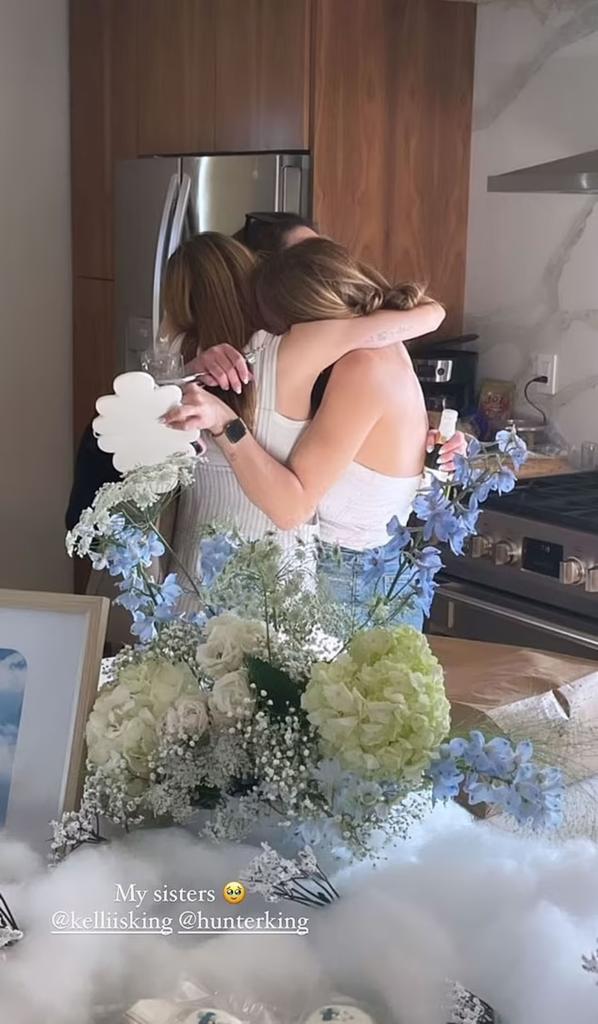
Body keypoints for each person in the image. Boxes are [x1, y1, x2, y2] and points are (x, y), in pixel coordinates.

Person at [165, 235, 452, 627]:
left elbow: (294, 505)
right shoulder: (340, 363)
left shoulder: (358, 366)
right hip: (339, 578)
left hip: (348, 582)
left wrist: (223, 421)